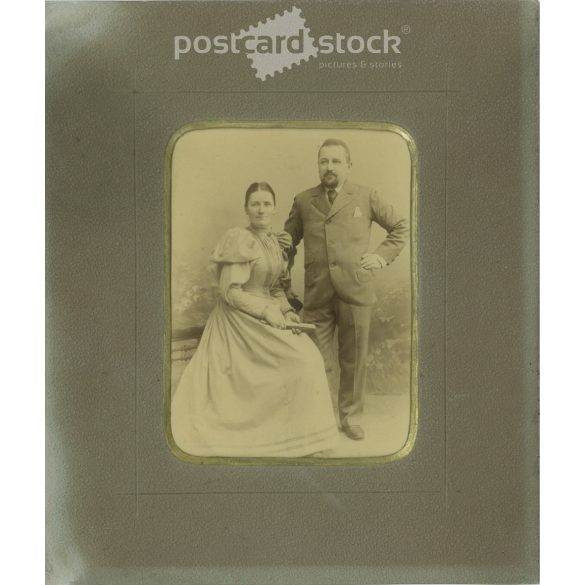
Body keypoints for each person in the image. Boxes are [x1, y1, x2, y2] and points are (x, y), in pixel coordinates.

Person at [171, 182, 339, 457]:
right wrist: (266, 312)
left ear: (274, 208)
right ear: (246, 208)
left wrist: (286, 311)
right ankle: (268, 437)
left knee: (308, 358)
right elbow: (230, 293)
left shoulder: (274, 243)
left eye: (267, 204)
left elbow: (275, 289)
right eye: (255, 204)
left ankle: (301, 438)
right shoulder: (239, 239)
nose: (261, 209)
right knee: (295, 363)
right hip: (238, 319)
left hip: (270, 314)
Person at [284, 139, 408, 441]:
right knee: (317, 360)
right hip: (316, 294)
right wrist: (284, 283)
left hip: (356, 290)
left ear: (348, 166)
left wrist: (380, 256)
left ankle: (351, 418)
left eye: (336, 161)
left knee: (354, 359)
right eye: (324, 161)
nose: (329, 167)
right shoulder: (303, 200)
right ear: (318, 166)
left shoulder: (366, 196)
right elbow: (287, 242)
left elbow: (400, 227)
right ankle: (321, 420)